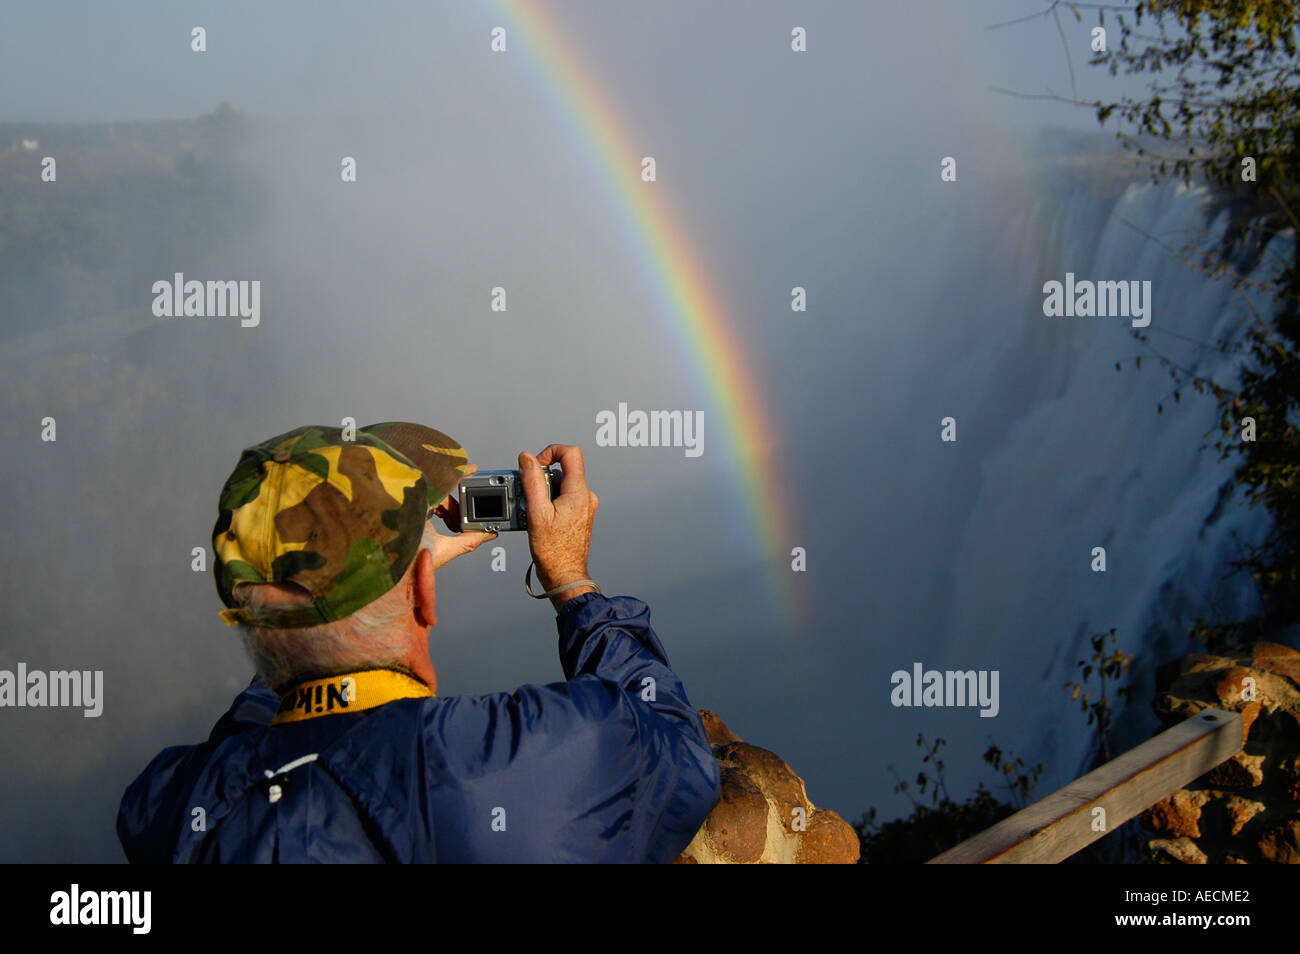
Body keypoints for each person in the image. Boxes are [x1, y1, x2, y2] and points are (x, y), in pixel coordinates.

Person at [116, 422, 720, 863]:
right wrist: (572, 582)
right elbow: (682, 759)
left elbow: (265, 727)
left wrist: (345, 612)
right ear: (425, 594)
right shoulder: (529, 754)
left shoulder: (167, 802)